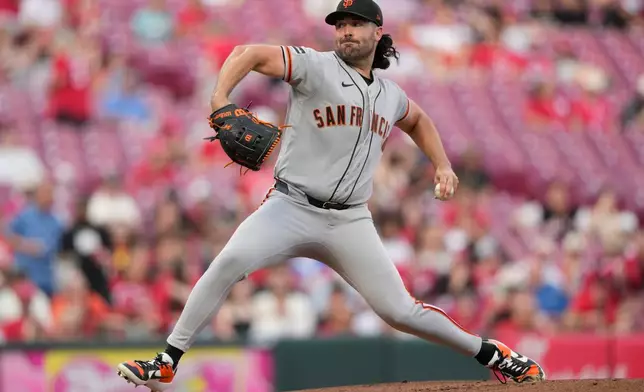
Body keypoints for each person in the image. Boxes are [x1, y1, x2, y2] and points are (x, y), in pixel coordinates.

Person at [116, 1, 545, 390]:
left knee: (399, 311)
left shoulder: (390, 95)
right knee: (228, 261)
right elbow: (246, 52)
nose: (345, 31)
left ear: (378, 31)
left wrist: (443, 164)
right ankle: (168, 359)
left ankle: (495, 355)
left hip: (349, 221)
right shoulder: (313, 65)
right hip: (290, 205)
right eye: (340, 23)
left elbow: (418, 121)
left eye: (355, 23)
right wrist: (219, 98)